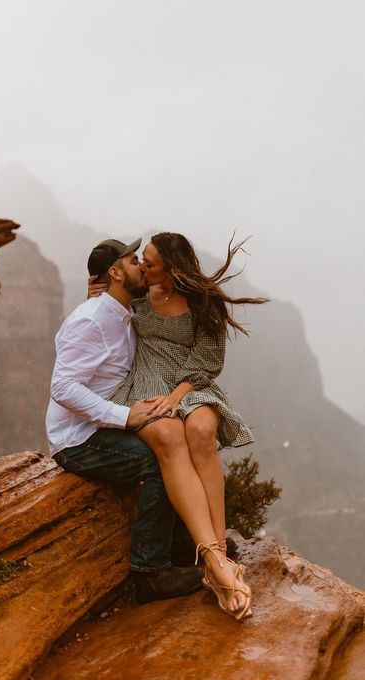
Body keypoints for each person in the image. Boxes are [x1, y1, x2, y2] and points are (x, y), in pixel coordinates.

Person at [89, 232, 267, 621]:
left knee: (201, 432)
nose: (142, 266)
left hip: (192, 381)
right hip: (147, 379)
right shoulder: (138, 296)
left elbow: (207, 361)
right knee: (172, 438)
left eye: (149, 262)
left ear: (171, 267)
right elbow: (105, 316)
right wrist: (95, 294)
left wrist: (179, 395)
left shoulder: (205, 302)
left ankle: (216, 547)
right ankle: (215, 562)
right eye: (141, 261)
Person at [45, 238, 203, 605]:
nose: (142, 267)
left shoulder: (121, 309)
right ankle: (150, 573)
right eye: (134, 261)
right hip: (78, 437)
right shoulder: (94, 320)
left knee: (180, 445)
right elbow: (63, 387)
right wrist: (125, 416)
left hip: (102, 423)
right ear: (116, 273)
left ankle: (186, 547)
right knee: (156, 463)